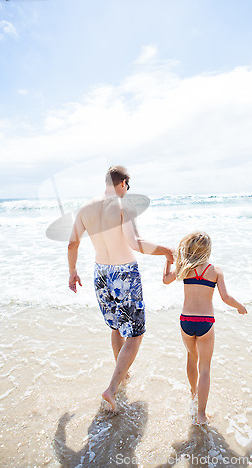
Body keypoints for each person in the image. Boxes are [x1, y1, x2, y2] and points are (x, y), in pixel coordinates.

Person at [68, 165, 174, 411]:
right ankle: (112, 389)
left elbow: (73, 243)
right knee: (135, 334)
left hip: (101, 273)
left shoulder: (85, 208)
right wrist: (166, 250)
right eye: (128, 185)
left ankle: (122, 374)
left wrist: (72, 271)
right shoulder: (122, 205)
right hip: (124, 273)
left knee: (116, 328)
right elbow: (134, 243)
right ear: (123, 183)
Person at [163, 231, 247, 425]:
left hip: (186, 320)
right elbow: (226, 298)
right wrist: (240, 307)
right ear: (208, 250)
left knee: (192, 358)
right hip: (205, 323)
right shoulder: (215, 270)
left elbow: (166, 279)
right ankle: (201, 415)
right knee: (205, 368)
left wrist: (168, 260)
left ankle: (193, 393)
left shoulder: (184, 268)